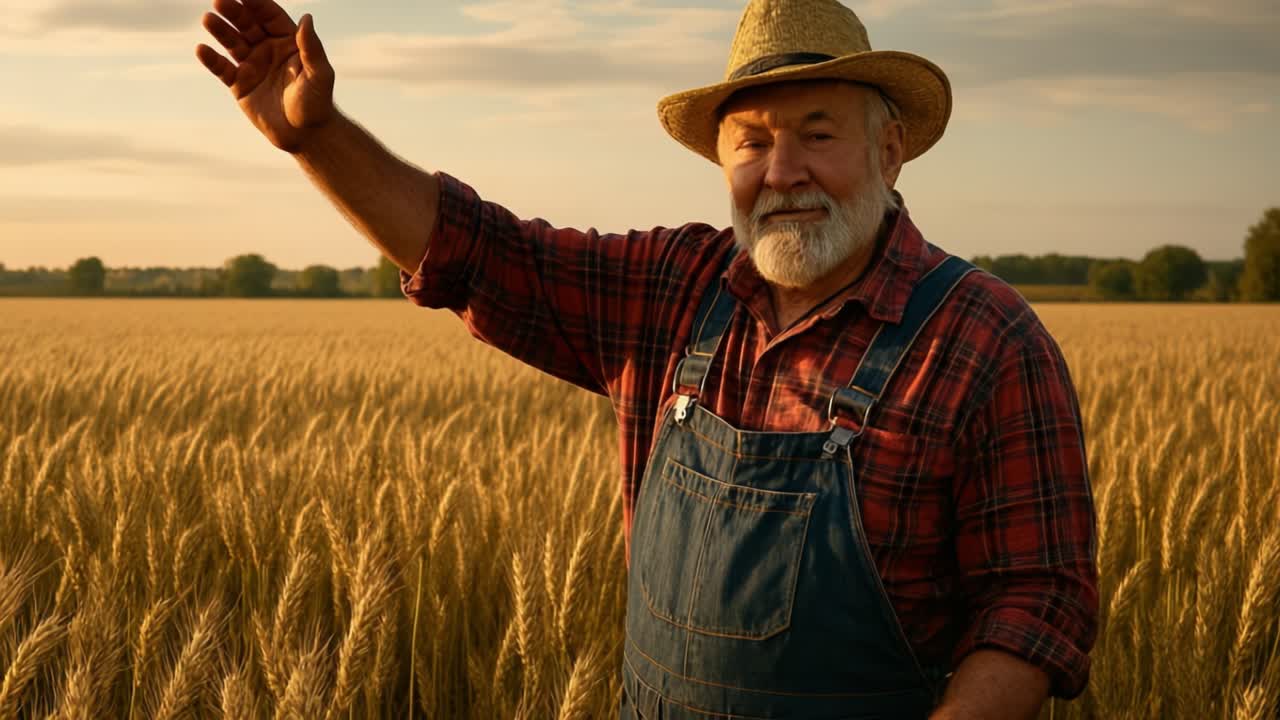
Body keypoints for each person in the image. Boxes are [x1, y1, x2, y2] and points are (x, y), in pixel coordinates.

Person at [197, 0, 1098, 717]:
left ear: (889, 149)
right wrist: (317, 138)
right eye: (751, 141)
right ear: (722, 160)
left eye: (818, 133)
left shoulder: (986, 339)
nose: (782, 170)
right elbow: (479, 254)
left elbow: (1036, 602)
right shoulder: (673, 288)